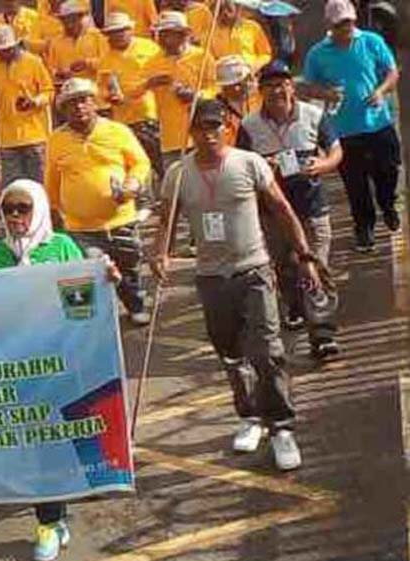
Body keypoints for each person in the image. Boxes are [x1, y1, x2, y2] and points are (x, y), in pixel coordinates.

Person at [0, 179, 119, 561]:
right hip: (7, 370)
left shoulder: (61, 248)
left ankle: (49, 523)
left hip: (54, 367)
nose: (17, 217)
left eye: (24, 209)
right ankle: (55, 515)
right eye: (9, 210)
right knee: (25, 448)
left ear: (39, 209)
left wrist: (104, 276)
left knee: (47, 444)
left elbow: (82, 301)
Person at [154, 100, 322, 471]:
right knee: (231, 353)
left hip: (254, 270)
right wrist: (159, 254)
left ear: (227, 128)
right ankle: (250, 417)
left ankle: (281, 427)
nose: (209, 133)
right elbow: (167, 219)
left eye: (216, 126)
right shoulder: (178, 174)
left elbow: (282, 210)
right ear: (191, 132)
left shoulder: (249, 163)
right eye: (201, 128)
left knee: (267, 351)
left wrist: (304, 256)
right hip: (211, 277)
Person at [239, 60, 343, 360]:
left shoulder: (314, 115)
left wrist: (322, 164)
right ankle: (295, 305)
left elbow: (336, 150)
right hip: (273, 214)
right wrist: (262, 168)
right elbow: (242, 166)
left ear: (292, 87)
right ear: (261, 92)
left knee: (314, 267)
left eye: (283, 84)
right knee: (286, 269)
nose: (277, 91)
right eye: (270, 86)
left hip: (312, 207)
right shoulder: (249, 126)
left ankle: (322, 333)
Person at [46, 77, 152, 325]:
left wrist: (132, 183)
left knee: (129, 269)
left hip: (121, 219)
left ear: (94, 102)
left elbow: (140, 162)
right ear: (63, 110)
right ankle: (100, 320)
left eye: (83, 101)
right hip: (80, 227)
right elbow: (51, 180)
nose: (79, 107)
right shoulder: (56, 140)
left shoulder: (117, 131)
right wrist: (52, 213)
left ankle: (135, 304)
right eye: (71, 104)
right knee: (92, 271)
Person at [302, 0, 401, 252]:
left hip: (378, 123)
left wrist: (380, 91)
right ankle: (364, 227)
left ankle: (388, 205)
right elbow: (307, 86)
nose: (346, 28)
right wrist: (326, 93)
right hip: (344, 130)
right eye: (340, 24)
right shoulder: (317, 53)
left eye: (349, 22)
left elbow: (392, 72)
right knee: (355, 184)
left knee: (388, 173)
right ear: (330, 25)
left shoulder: (371, 41)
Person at [144, 11, 217, 167]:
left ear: (183, 34)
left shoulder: (202, 57)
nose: (162, 39)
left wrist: (197, 96)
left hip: (200, 133)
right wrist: (149, 84)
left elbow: (216, 88)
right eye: (161, 34)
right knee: (175, 184)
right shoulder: (152, 63)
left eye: (168, 34)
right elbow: (133, 93)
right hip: (170, 138)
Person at [0, 25, 54, 184]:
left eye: (5, 49)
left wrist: (35, 101)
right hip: (7, 138)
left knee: (40, 184)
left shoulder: (33, 62)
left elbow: (49, 91)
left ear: (14, 46)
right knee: (13, 187)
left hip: (34, 135)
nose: (1, 53)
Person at [97, 12, 161, 177]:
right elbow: (102, 88)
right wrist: (109, 96)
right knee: (135, 164)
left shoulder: (149, 47)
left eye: (120, 31)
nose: (116, 36)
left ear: (130, 30)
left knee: (158, 161)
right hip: (124, 120)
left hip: (150, 114)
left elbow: (161, 72)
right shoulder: (106, 59)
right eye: (112, 33)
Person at [44, 1, 106, 88]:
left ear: (80, 18)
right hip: (68, 89)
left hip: (94, 88)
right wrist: (59, 73)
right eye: (66, 21)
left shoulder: (97, 36)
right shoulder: (55, 42)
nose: (70, 25)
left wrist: (87, 63)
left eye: (73, 20)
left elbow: (108, 63)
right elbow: (50, 69)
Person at [208, 0, 273, 73]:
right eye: (221, 11)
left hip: (249, 74)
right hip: (223, 76)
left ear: (237, 9)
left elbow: (266, 54)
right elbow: (209, 58)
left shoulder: (252, 27)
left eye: (229, 10)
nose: (225, 14)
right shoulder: (211, 32)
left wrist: (254, 67)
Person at [215, 54, 258, 146]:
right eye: (232, 85)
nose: (236, 89)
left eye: (239, 83)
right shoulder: (216, 110)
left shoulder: (261, 99)